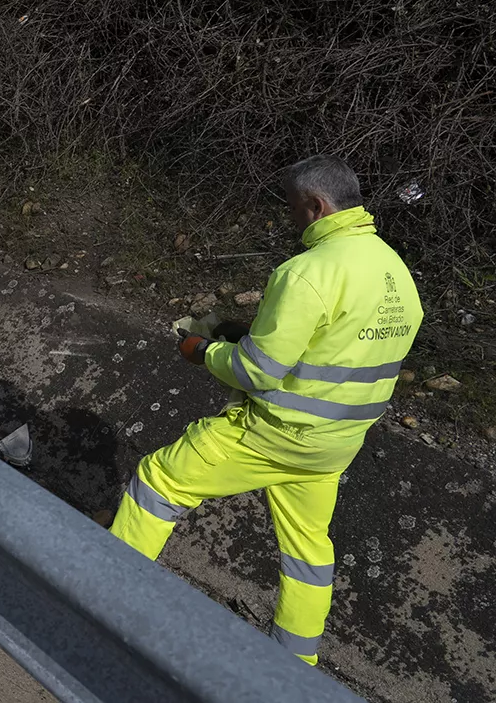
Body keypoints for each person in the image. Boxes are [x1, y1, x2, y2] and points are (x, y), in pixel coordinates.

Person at [109, 155, 423, 665]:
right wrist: (245, 334)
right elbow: (335, 349)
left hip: (276, 433)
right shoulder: (394, 270)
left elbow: (257, 373)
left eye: (293, 208)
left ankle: (101, 594)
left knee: (159, 481)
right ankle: (296, 666)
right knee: (307, 552)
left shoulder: (307, 273)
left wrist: (201, 351)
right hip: (335, 446)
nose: (291, 218)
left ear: (316, 206)